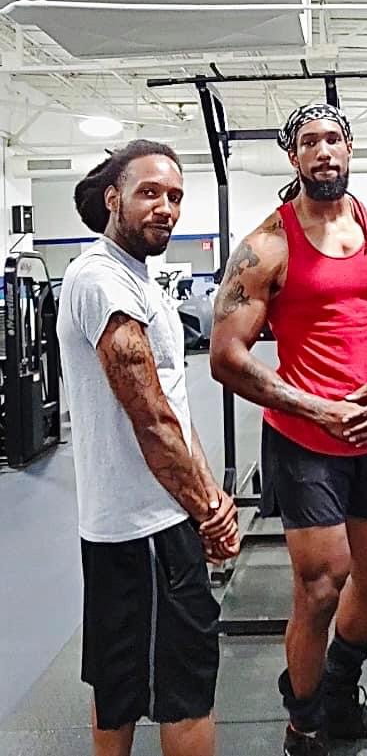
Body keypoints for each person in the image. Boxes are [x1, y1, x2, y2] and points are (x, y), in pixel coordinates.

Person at [209, 104, 367, 756]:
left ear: (350, 148)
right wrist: (316, 407)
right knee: (321, 585)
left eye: (334, 139)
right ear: (294, 157)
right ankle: (303, 726)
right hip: (304, 439)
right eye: (310, 142)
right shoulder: (267, 245)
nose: (324, 151)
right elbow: (226, 355)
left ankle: (338, 697)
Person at [57, 139, 240, 756]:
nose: (166, 207)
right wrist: (207, 511)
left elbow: (173, 403)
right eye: (150, 193)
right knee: (186, 691)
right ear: (113, 199)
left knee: (120, 683)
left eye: (175, 196)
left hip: (130, 524)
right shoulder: (102, 279)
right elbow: (152, 418)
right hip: (150, 528)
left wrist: (212, 497)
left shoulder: (135, 279)